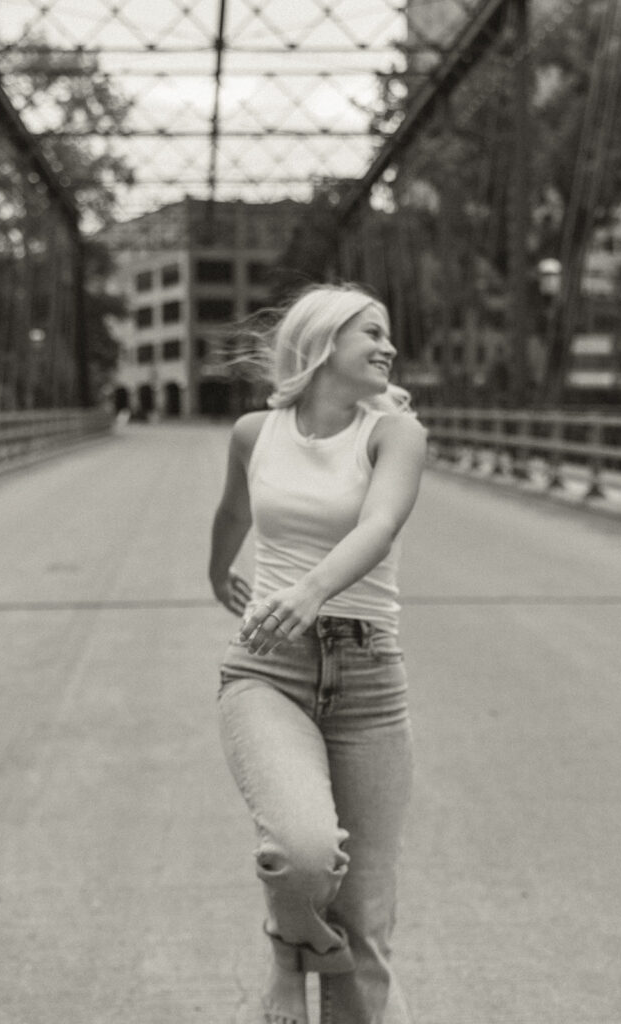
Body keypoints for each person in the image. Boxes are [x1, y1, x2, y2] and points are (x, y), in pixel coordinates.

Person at [209, 283, 427, 1024]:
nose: (388, 346)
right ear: (323, 341)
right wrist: (218, 571)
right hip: (267, 669)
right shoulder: (252, 433)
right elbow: (235, 509)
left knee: (364, 922)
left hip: (368, 678)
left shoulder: (393, 432)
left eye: (389, 333)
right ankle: (284, 950)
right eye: (371, 331)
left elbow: (381, 524)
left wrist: (310, 590)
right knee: (302, 851)